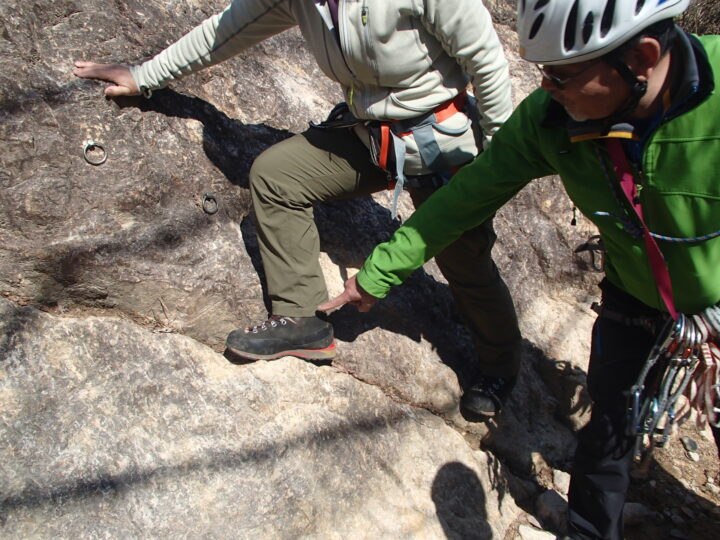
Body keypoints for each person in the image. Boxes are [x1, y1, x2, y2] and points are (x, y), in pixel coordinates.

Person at [321, 0, 720, 538]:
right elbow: (465, 197)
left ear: (643, 57)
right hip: (634, 294)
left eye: (562, 75)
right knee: (609, 421)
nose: (547, 89)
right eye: (543, 73)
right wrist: (378, 275)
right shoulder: (551, 121)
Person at [73, 0, 522, 417]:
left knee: (466, 264)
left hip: (445, 147)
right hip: (372, 139)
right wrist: (144, 75)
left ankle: (499, 369)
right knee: (277, 175)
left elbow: (486, 60)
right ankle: (301, 320)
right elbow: (226, 31)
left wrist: (496, 164)